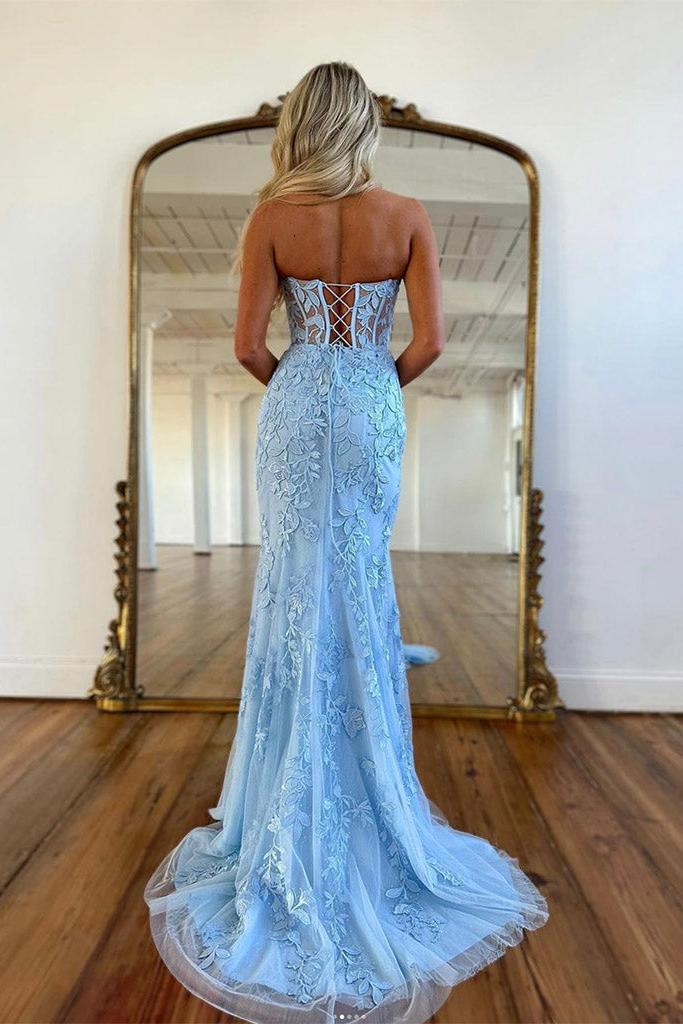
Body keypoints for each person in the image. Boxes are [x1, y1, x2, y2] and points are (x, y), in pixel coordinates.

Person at [144, 61, 549, 1024]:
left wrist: (305, 383)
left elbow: (248, 346)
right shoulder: (404, 214)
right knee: (359, 579)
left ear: (299, 126)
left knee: (293, 585)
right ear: (362, 125)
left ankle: (285, 791)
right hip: (369, 398)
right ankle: (369, 786)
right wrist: (367, 385)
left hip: (297, 405)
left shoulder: (270, 216)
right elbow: (431, 341)